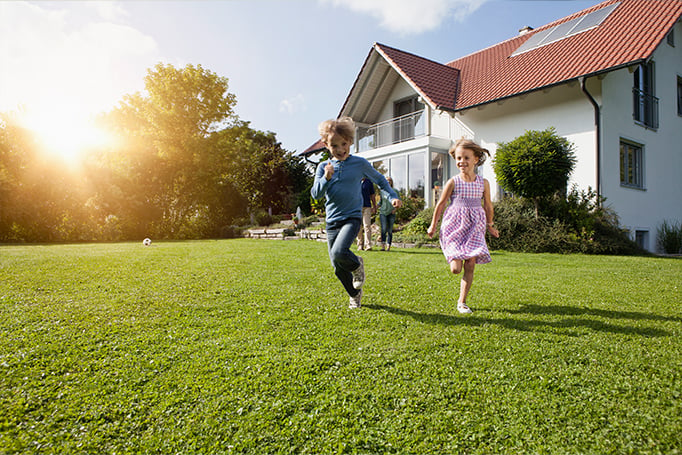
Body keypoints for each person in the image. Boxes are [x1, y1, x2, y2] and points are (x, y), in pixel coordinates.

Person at [311, 117, 402, 309]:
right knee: (337, 267)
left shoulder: (359, 164)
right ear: (327, 145)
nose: (340, 149)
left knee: (339, 252)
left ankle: (357, 264)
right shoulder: (323, 167)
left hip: (352, 217)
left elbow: (380, 181)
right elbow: (316, 194)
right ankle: (354, 294)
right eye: (334, 145)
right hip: (332, 221)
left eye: (344, 144)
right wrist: (326, 177)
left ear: (350, 141)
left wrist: (391, 195)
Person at [427, 139, 499, 314]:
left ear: (476, 159)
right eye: (459, 158)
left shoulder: (484, 183)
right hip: (454, 226)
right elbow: (441, 204)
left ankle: (462, 302)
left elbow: (488, 205)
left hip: (475, 226)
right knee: (455, 269)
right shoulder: (453, 182)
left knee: (470, 264)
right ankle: (452, 256)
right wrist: (433, 225)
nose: (462, 162)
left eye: (466, 158)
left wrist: (490, 225)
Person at [356, 178, 376, 251]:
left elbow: (372, 195)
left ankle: (368, 245)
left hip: (367, 206)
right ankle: (360, 245)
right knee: (358, 226)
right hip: (357, 206)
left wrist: (374, 206)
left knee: (367, 226)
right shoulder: (356, 180)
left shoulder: (369, 182)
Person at [378, 177, 397, 251]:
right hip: (383, 212)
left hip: (391, 212)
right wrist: (375, 207)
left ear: (392, 182)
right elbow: (380, 202)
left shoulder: (395, 191)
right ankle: (383, 246)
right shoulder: (382, 191)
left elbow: (399, 201)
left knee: (389, 230)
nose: (388, 183)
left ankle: (388, 246)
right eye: (387, 181)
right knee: (383, 229)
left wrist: (395, 209)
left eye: (389, 181)